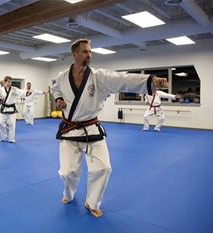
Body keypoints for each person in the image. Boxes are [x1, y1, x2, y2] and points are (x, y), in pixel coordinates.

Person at [52, 39, 168, 218]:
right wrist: (58, 99)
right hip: (69, 130)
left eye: (90, 52)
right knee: (68, 172)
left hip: (91, 128)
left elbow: (123, 79)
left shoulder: (99, 77)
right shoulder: (62, 76)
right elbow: (55, 89)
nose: (89, 55)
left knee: (103, 168)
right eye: (85, 52)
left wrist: (151, 80)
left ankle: (92, 202)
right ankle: (68, 194)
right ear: (74, 54)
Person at [0, 76, 24, 143]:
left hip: (11, 109)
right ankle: (3, 137)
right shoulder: (1, 90)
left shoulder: (14, 89)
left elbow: (21, 92)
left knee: (12, 124)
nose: (10, 83)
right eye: (8, 81)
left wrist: (27, 93)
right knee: (0, 123)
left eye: (11, 82)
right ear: (5, 82)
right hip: (4, 109)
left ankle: (11, 139)